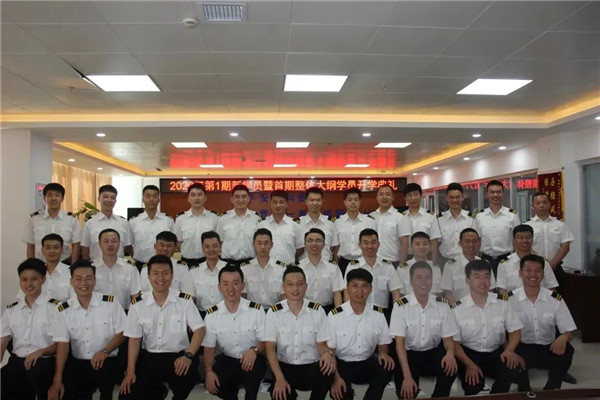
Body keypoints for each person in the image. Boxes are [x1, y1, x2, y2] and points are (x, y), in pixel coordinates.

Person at [119, 255, 205, 400]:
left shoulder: (184, 301)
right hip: (149, 357)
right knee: (127, 395)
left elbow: (200, 330)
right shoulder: (138, 304)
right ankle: (158, 391)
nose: (160, 278)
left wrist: (188, 355)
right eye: (155, 273)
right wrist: (130, 372)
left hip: (177, 357)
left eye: (165, 273)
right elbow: (134, 340)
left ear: (172, 276)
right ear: (148, 276)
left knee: (186, 378)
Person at [48, 260, 127, 400]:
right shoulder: (63, 310)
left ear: (95, 281)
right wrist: (57, 379)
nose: (83, 283)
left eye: (88, 278)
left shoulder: (110, 303)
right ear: (71, 282)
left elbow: (122, 332)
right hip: (79, 361)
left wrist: (105, 351)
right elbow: (62, 345)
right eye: (78, 279)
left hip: (107, 359)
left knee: (106, 380)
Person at [452, 260, 526, 395]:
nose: (482, 281)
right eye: (477, 277)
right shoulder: (457, 309)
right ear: (467, 280)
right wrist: (469, 364)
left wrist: (510, 350)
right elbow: (454, 343)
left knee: (513, 367)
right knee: (473, 385)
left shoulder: (502, 303)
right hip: (468, 354)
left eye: (486, 276)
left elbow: (515, 331)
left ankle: (497, 395)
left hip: (495, 352)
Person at [264, 266, 336, 400]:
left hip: (311, 366)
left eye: (300, 284)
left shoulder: (317, 311)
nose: (295, 289)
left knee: (328, 365)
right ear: (283, 287)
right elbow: (270, 347)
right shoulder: (274, 312)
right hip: (285, 367)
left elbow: (321, 344)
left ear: (306, 286)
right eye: (290, 284)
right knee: (278, 393)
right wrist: (279, 378)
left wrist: (327, 354)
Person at [390, 261, 458, 399]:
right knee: (407, 392)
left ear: (432, 280)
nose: (424, 282)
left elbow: (448, 339)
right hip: (408, 354)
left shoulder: (442, 305)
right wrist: (407, 377)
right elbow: (399, 344)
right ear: (411, 281)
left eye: (427, 277)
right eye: (419, 277)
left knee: (451, 367)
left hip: (431, 352)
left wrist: (450, 353)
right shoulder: (401, 306)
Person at [509, 254, 577, 391]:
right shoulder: (510, 300)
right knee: (510, 355)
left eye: (537, 270)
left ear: (543, 274)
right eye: (528, 270)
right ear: (520, 273)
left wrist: (563, 337)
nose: (533, 274)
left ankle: (551, 389)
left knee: (567, 349)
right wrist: (509, 349)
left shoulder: (555, 299)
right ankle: (523, 388)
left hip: (548, 346)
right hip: (522, 346)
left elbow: (569, 330)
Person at [328, 269, 394, 400]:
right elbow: (330, 351)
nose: (360, 291)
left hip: (366, 362)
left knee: (387, 366)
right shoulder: (335, 315)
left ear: (371, 289)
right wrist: (335, 378)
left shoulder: (378, 314)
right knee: (341, 392)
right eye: (355, 286)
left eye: (364, 286)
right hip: (342, 364)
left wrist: (383, 353)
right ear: (347, 288)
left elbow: (383, 343)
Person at [203, 265, 267, 400]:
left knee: (255, 371)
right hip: (228, 359)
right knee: (216, 383)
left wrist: (254, 350)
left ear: (243, 286)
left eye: (235, 283)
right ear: (219, 287)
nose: (231, 288)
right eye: (226, 284)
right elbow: (209, 348)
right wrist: (208, 371)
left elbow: (265, 342)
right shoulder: (212, 314)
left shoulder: (256, 310)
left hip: (252, 359)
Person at [1, 258, 57, 400]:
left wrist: (41, 351)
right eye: (24, 279)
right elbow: (2, 341)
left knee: (37, 376)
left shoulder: (55, 308)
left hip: (44, 362)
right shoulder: (11, 310)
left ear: (43, 280)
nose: (28, 284)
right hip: (17, 362)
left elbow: (61, 345)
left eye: (34, 279)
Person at [344, 228, 402, 318]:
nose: (370, 246)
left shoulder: (388, 266)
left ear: (378, 244)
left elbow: (395, 292)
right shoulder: (353, 266)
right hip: (358, 313)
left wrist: (397, 315)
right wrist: (349, 315)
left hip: (382, 314)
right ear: (360, 245)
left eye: (373, 242)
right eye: (366, 243)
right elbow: (347, 291)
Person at [23, 182, 81, 264]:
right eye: (49, 195)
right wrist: (31, 266)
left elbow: (76, 244)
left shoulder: (71, 219)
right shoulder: (34, 219)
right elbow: (30, 245)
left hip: (64, 263)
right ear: (44, 198)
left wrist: (73, 266)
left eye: (57, 195)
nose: (53, 198)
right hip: (40, 264)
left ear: (62, 198)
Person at [525, 192, 574, 286]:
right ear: (533, 206)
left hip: (555, 268)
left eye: (544, 202)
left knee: (557, 294)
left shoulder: (560, 224)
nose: (541, 205)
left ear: (549, 204)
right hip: (534, 270)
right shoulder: (527, 225)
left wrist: (552, 266)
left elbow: (565, 246)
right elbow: (525, 246)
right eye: (538, 203)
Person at [475, 180, 520, 277]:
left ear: (503, 193)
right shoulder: (479, 216)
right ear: (487, 194)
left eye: (498, 192)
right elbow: (477, 240)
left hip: (506, 259)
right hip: (485, 259)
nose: (495, 195)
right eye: (492, 192)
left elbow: (517, 240)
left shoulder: (512, 215)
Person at [496, 225, 558, 295]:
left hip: (538, 300)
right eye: (520, 237)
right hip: (513, 301)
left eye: (528, 237)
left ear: (532, 239)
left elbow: (551, 288)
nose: (524, 241)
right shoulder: (504, 264)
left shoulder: (543, 262)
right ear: (514, 240)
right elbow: (502, 290)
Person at [440, 229, 496, 305]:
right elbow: (447, 293)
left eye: (474, 241)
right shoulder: (450, 266)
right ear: (460, 243)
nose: (471, 245)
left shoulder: (485, 264)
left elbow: (490, 290)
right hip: (458, 308)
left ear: (479, 243)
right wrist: (457, 309)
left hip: (482, 307)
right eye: (467, 241)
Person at [92, 229, 141, 312]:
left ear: (119, 244)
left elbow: (135, 295)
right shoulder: (92, 268)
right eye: (106, 241)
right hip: (97, 313)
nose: (110, 244)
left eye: (114, 241)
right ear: (99, 244)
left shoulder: (130, 268)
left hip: (124, 313)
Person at [297, 228, 345, 313]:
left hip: (327, 310)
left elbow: (337, 293)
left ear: (324, 244)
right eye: (310, 240)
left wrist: (339, 315)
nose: (314, 244)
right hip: (304, 310)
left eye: (318, 241)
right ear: (305, 244)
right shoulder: (298, 268)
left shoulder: (333, 267)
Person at [17, 233, 74, 302]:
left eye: (56, 247)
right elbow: (22, 298)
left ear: (62, 250)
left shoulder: (71, 273)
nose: (52, 251)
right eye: (48, 247)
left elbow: (74, 301)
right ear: (42, 250)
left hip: (64, 308)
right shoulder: (34, 272)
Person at [129, 185, 175, 271]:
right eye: (148, 196)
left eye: (154, 196)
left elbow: (172, 243)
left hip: (163, 265)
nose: (151, 199)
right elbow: (129, 245)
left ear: (159, 199)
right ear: (143, 199)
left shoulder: (168, 220)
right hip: (140, 265)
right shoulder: (134, 221)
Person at [81, 185, 132, 261]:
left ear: (115, 201)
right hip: (96, 265)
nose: (109, 200)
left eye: (112, 198)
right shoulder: (89, 223)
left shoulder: (124, 222)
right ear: (99, 199)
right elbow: (85, 248)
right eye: (105, 197)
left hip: (118, 265)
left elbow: (127, 247)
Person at [332, 187, 375, 275]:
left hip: (363, 261)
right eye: (350, 200)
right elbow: (336, 247)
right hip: (343, 262)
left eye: (356, 200)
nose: (353, 202)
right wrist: (335, 266)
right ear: (345, 202)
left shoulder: (369, 221)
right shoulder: (338, 222)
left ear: (360, 201)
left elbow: (374, 244)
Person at [217, 185, 263, 266]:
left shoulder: (256, 218)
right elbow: (219, 242)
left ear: (248, 199)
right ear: (232, 199)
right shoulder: (223, 219)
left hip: (250, 263)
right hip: (228, 264)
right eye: (237, 197)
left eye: (244, 197)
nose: (240, 200)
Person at [174, 183, 218, 267]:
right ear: (188, 198)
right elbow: (178, 242)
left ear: (205, 197)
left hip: (207, 262)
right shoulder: (181, 219)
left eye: (200, 195)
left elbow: (217, 242)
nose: (196, 198)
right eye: (193, 195)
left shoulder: (214, 217)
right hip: (186, 263)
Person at [242, 229, 286, 309]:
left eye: (266, 243)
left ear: (271, 245)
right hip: (252, 311)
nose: (262, 247)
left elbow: (284, 295)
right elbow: (243, 295)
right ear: (253, 245)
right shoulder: (245, 268)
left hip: (274, 311)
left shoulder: (281, 268)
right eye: (259, 243)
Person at [257, 190, 304, 265]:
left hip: (288, 268)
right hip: (267, 267)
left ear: (286, 204)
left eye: (281, 202)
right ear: (270, 204)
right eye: (275, 202)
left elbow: (300, 248)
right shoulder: (262, 225)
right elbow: (257, 246)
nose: (278, 205)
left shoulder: (294, 225)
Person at [369, 184, 410, 265]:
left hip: (393, 262)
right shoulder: (371, 216)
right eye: (381, 194)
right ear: (377, 197)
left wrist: (402, 264)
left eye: (388, 194)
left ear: (392, 197)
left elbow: (404, 242)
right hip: (373, 261)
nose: (384, 197)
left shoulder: (400, 217)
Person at [401, 183, 441, 264]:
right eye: (409, 195)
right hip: (407, 256)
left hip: (426, 256)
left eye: (415, 194)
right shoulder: (401, 217)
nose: (413, 198)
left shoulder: (430, 216)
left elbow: (434, 240)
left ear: (420, 195)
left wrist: (434, 262)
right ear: (405, 198)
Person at [437, 183, 476, 265]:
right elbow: (436, 242)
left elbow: (475, 242)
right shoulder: (439, 219)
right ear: (447, 198)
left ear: (462, 197)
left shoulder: (471, 218)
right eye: (451, 197)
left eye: (457, 197)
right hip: (444, 261)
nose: (454, 200)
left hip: (466, 260)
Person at [190, 231, 227, 317]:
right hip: (201, 315)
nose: (211, 250)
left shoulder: (229, 269)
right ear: (202, 248)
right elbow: (191, 299)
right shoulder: (194, 271)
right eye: (207, 247)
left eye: (214, 246)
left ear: (220, 246)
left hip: (225, 314)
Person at [397, 232, 442, 297]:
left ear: (429, 247)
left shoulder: (436, 268)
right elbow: (401, 295)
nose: (421, 247)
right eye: (417, 244)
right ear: (411, 247)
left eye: (425, 244)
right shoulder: (403, 269)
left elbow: (439, 293)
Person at [297, 187, 335, 262]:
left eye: (318, 200)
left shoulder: (331, 223)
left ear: (322, 201)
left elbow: (333, 247)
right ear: (306, 202)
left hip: (326, 265)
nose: (315, 203)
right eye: (312, 200)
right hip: (304, 266)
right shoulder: (298, 224)